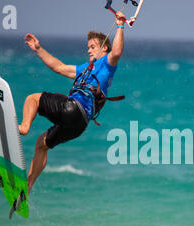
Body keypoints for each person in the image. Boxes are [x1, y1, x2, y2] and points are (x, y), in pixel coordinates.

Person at [19, 12, 126, 192]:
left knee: (33, 99)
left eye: (92, 46)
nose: (88, 50)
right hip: (79, 125)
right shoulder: (85, 68)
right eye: (88, 47)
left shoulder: (107, 64)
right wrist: (38, 49)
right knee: (41, 145)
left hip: (73, 109)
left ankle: (23, 127)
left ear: (104, 48)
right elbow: (59, 67)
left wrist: (120, 25)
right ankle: (27, 187)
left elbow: (117, 51)